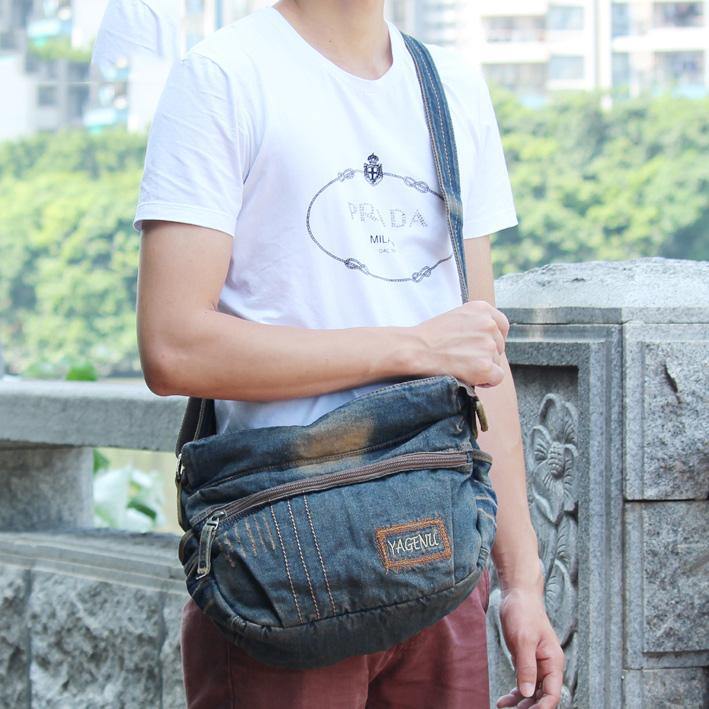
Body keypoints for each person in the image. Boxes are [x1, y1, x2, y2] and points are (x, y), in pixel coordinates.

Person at [134, 1, 564, 707]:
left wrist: (521, 582)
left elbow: (480, 352)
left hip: (440, 550)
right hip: (282, 554)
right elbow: (173, 344)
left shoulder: (450, 87)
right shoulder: (225, 75)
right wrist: (413, 346)